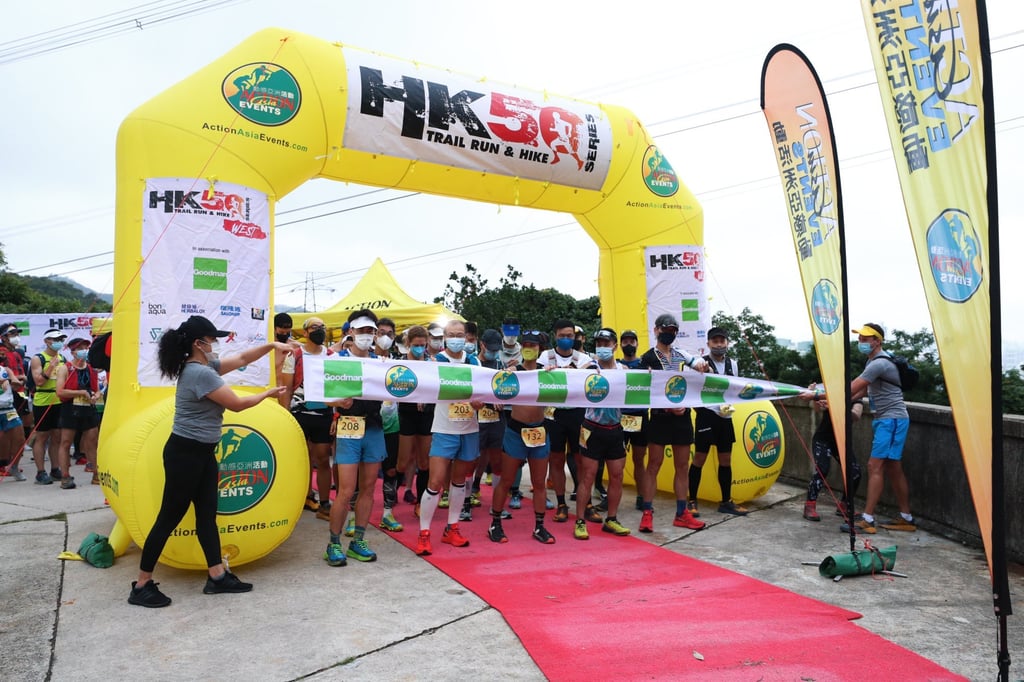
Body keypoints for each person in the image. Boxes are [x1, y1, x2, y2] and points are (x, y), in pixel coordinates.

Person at [128, 315, 288, 608]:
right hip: (185, 454)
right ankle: (141, 585)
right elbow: (237, 405)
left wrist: (272, 344)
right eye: (213, 339)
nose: (217, 344)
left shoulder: (204, 367)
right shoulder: (200, 374)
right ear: (199, 344)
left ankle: (217, 576)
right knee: (168, 518)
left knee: (206, 515)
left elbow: (241, 358)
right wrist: (268, 394)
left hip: (200, 452)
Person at [324, 310, 388, 566]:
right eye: (361, 331)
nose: (366, 336)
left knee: (369, 488)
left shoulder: (380, 361)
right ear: (351, 331)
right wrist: (337, 402)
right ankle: (333, 543)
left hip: (373, 427)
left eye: (370, 331)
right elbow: (322, 394)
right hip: (348, 428)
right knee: (346, 490)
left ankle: (358, 541)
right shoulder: (337, 359)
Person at [415, 319, 482, 556]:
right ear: (444, 337)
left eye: (460, 334)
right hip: (444, 429)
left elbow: (483, 391)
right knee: (435, 482)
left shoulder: (474, 361)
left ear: (466, 337)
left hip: (469, 429)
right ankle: (424, 533)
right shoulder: (436, 362)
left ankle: (451, 528)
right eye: (451, 334)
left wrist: (479, 402)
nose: (456, 338)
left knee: (460, 481)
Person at [842, 323, 916, 534]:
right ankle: (906, 517)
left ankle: (868, 519)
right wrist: (833, 402)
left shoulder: (878, 364)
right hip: (888, 420)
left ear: (877, 341)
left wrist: (820, 394)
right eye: (859, 339)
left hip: (891, 420)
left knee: (874, 466)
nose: (861, 342)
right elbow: (861, 392)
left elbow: (852, 388)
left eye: (865, 339)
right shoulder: (873, 361)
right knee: (893, 468)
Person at [637, 314, 707, 533]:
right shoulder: (647, 358)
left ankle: (682, 513)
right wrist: (666, 407)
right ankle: (647, 513)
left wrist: (705, 367)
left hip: (682, 417)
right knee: (654, 465)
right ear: (657, 330)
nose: (670, 333)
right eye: (667, 329)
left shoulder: (680, 356)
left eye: (674, 330)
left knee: (682, 466)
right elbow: (646, 390)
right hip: (659, 417)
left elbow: (702, 373)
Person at [488, 330, 556, 545]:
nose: (528, 348)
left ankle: (539, 526)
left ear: (540, 349)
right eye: (525, 344)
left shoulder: (546, 373)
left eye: (533, 345)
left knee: (538, 483)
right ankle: (495, 523)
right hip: (516, 431)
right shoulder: (513, 372)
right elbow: (491, 388)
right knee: (506, 480)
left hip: (539, 431)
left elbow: (568, 384)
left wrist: (555, 373)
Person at [573, 328, 631, 540]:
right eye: (599, 343)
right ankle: (580, 520)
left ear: (615, 346)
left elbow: (642, 387)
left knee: (617, 475)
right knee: (588, 476)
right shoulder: (588, 366)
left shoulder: (623, 369)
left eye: (606, 344)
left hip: (615, 428)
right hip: (591, 428)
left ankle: (612, 519)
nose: (602, 347)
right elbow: (568, 378)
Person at [688, 326, 748, 516]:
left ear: (727, 343)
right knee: (699, 458)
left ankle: (726, 501)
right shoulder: (700, 364)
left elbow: (735, 389)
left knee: (726, 459)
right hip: (706, 415)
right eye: (715, 341)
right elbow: (692, 390)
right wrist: (700, 411)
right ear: (708, 344)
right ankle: (692, 500)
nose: (719, 344)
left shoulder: (734, 364)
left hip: (725, 416)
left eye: (722, 341)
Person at [538, 319, 592, 523]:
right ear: (555, 336)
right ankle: (561, 504)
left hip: (578, 413)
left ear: (575, 337)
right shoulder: (546, 356)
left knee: (581, 461)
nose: (566, 339)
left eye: (570, 336)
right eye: (562, 336)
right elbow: (537, 379)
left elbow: (592, 377)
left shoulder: (584, 358)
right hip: (554, 415)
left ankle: (585, 503)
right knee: (557, 460)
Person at [284, 317, 337, 519]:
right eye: (315, 327)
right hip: (299, 413)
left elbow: (338, 388)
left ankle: (324, 504)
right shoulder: (294, 356)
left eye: (323, 327)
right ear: (305, 333)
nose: (320, 331)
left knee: (323, 458)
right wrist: (285, 414)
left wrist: (336, 416)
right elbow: (287, 388)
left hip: (324, 413)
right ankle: (303, 499)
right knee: (302, 459)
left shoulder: (332, 356)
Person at [798, 384, 865, 521]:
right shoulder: (831, 392)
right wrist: (813, 395)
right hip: (823, 438)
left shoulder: (857, 399)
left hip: (840, 440)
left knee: (855, 472)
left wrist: (837, 408)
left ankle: (845, 505)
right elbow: (817, 409)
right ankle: (809, 505)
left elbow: (856, 416)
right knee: (822, 468)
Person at [395, 325, 434, 511]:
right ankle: (390, 498)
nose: (420, 348)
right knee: (402, 462)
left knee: (424, 462)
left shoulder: (431, 362)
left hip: (426, 414)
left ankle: (420, 503)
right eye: (416, 345)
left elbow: (435, 387)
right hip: (407, 413)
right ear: (408, 344)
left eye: (423, 345)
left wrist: (424, 397)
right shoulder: (400, 362)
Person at [469, 328, 507, 521]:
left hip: (496, 420)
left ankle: (497, 504)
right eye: (489, 348)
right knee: (473, 459)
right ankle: (466, 502)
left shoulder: (501, 364)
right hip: (475, 418)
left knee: (497, 460)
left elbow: (508, 389)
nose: (493, 351)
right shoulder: (472, 363)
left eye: (496, 348)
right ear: (481, 345)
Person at [54, 338, 101, 488]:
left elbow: (97, 390)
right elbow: (60, 391)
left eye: (85, 347)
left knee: (92, 441)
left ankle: (96, 473)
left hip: (88, 408)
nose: (84, 350)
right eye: (80, 348)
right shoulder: (65, 368)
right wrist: (81, 392)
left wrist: (96, 395)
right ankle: (65, 476)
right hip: (70, 408)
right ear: (72, 351)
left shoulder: (91, 368)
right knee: (66, 442)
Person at [30, 329, 68, 484]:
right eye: (55, 339)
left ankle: (55, 469)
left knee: (57, 436)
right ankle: (40, 472)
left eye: (60, 338)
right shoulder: (38, 358)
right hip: (43, 400)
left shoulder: (63, 358)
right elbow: (38, 381)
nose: (59, 341)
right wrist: (51, 366)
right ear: (47, 341)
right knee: (42, 436)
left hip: (59, 400)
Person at [616, 329, 648, 511]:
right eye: (625, 341)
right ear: (620, 345)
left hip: (640, 416)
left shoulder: (645, 364)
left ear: (637, 343)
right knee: (617, 461)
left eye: (632, 341)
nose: (629, 344)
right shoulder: (616, 365)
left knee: (639, 460)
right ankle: (613, 496)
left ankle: (642, 496)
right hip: (620, 417)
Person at [0, 357, 26, 480]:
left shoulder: (5, 369)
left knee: (20, 439)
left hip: (9, 409)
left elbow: (16, 385)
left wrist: (15, 380)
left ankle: (14, 466)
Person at [273, 312, 301, 409]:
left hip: (288, 395)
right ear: (274, 328)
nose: (284, 335)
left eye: (287, 332)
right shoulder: (268, 347)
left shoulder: (296, 346)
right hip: (271, 393)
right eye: (281, 333)